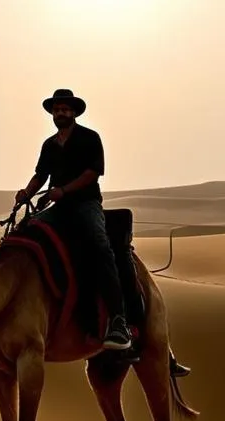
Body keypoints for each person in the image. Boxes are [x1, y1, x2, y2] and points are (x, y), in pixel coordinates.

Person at [15, 88, 136, 351]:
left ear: (74, 112)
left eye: (65, 109)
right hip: (58, 207)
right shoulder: (49, 145)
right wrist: (26, 193)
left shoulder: (90, 138)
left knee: (100, 246)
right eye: (57, 109)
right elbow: (40, 176)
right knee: (25, 232)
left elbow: (92, 174)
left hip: (85, 203)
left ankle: (118, 319)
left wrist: (63, 191)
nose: (61, 113)